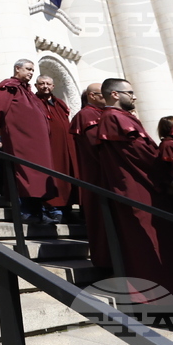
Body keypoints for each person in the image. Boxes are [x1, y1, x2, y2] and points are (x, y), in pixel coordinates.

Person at [96, 77, 173, 307]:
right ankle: (163, 302)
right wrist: (167, 176)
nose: (134, 96)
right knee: (151, 247)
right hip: (141, 191)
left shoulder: (121, 118)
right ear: (114, 94)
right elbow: (140, 154)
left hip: (148, 188)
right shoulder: (114, 118)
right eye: (129, 92)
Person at [0, 59, 59, 224]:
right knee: (24, 173)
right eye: (28, 69)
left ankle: (39, 212)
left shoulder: (27, 91)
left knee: (39, 175)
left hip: (36, 143)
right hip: (20, 140)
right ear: (17, 68)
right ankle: (26, 212)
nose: (31, 72)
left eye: (32, 70)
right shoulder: (8, 87)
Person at [69, 83, 111, 270]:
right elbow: (99, 148)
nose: (109, 97)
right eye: (104, 94)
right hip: (99, 178)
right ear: (92, 96)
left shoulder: (103, 113)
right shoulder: (87, 115)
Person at [35, 75, 77, 212]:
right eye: (42, 83)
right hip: (49, 148)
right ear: (36, 86)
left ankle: (68, 209)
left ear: (53, 87)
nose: (45, 86)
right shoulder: (34, 102)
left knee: (68, 178)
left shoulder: (60, 103)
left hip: (66, 147)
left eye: (48, 84)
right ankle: (54, 209)